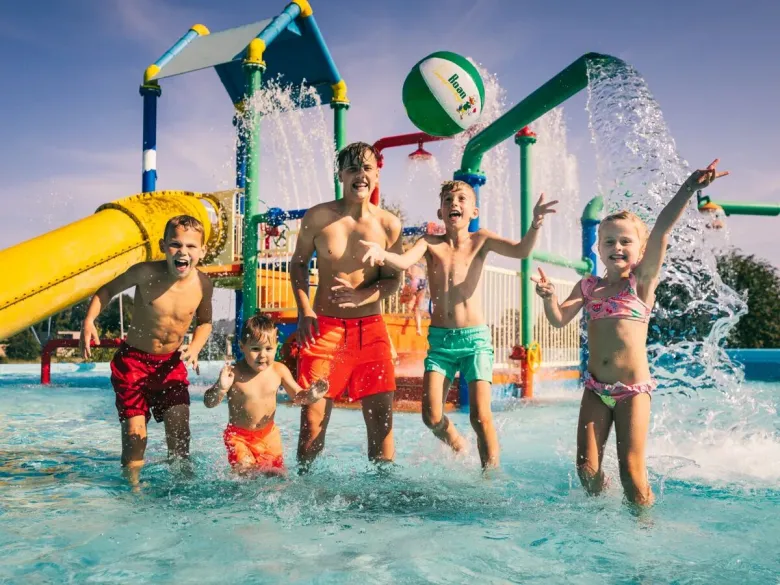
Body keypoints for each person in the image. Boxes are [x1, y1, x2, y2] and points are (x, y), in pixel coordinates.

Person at [531, 160, 729, 507]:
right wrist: (549, 299)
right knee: (585, 468)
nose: (617, 247)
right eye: (609, 241)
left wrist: (689, 188)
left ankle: (643, 529)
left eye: (626, 241)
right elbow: (559, 319)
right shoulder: (589, 285)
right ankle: (601, 517)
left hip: (632, 392)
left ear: (640, 250)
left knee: (631, 471)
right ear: (598, 248)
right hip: (596, 388)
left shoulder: (640, 283)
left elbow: (664, 229)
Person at [360, 180, 557, 469]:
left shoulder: (482, 240)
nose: (455, 204)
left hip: (475, 341)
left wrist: (536, 224)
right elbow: (403, 261)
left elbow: (521, 251)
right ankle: (457, 444)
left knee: (480, 416)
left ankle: (490, 475)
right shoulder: (429, 243)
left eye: (462, 199)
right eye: (449, 200)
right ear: (440, 212)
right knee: (431, 416)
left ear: (473, 210)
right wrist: (383, 255)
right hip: (440, 342)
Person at [290, 142, 403, 470]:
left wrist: (361, 296)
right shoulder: (319, 217)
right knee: (312, 426)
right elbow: (298, 264)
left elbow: (393, 280)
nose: (361, 175)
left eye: (367, 168)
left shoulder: (388, 225)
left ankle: (382, 505)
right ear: (340, 175)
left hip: (371, 332)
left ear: (377, 175)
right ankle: (305, 492)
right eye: (353, 168)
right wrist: (305, 310)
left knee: (382, 426)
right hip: (323, 329)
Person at [79, 215, 214, 486]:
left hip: (170, 364)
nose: (183, 252)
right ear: (164, 246)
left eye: (191, 246)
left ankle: (181, 483)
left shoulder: (203, 284)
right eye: (176, 244)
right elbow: (107, 291)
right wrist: (89, 320)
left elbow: (206, 322)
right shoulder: (145, 273)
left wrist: (196, 346)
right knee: (135, 435)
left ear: (202, 251)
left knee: (179, 428)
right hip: (133, 362)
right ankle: (133, 487)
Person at [203, 314, 328, 474]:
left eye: (268, 349)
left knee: (277, 476)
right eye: (255, 349)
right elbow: (209, 402)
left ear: (276, 346)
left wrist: (311, 395)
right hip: (239, 437)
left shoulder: (279, 370)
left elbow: (297, 396)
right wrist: (220, 389)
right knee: (246, 472)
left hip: (268, 435)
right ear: (242, 346)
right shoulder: (233, 373)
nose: (262, 355)